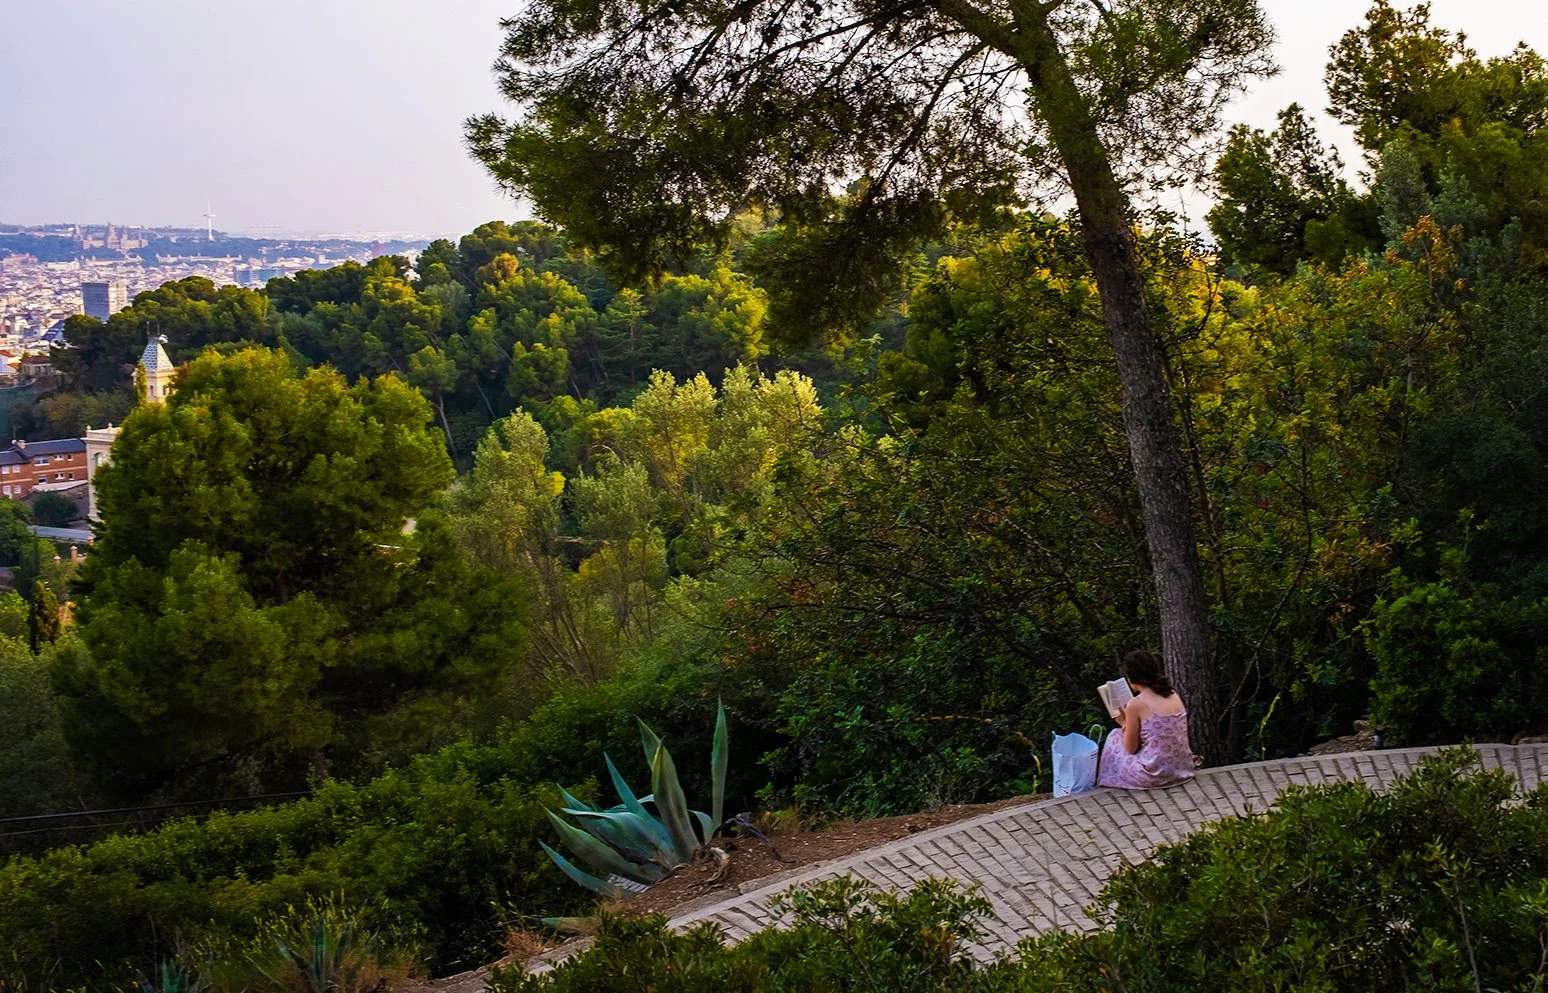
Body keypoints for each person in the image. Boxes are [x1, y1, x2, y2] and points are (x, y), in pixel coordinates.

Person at [1097, 650, 1195, 790]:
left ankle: (1106, 780)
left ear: (1131, 677)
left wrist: (1123, 722)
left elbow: (1131, 748)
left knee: (1114, 736)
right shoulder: (1173, 694)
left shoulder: (1136, 704)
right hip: (1182, 768)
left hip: (1155, 774)